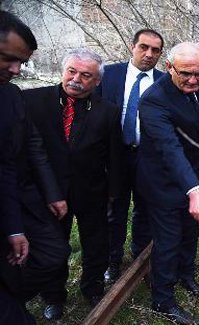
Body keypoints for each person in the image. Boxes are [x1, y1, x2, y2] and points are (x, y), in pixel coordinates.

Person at [23, 48, 123, 320]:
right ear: (63, 70)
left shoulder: (109, 112)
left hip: (92, 192)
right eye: (72, 71)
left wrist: (114, 193)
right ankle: (53, 296)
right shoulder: (32, 100)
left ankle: (92, 289)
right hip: (48, 194)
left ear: (97, 81)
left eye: (85, 75)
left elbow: (115, 157)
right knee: (54, 247)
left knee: (96, 245)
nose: (76, 79)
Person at [137, 42, 199, 325]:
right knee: (168, 240)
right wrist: (194, 190)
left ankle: (186, 275)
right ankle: (163, 299)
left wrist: (196, 183)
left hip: (192, 173)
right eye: (185, 73)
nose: (193, 80)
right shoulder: (153, 100)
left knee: (190, 231)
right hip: (163, 181)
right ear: (169, 68)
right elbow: (170, 148)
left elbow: (198, 134)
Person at [96, 28, 164, 284]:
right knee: (114, 210)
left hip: (147, 157)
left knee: (145, 210)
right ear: (131, 46)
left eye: (155, 50)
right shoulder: (109, 75)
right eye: (143, 47)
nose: (149, 54)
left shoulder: (164, 82)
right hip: (115, 156)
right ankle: (112, 262)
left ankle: (140, 260)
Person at [0, 9, 37, 325]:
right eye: (7, 58)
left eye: (22, 62)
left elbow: (5, 166)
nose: (16, 69)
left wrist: (13, 227)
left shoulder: (10, 98)